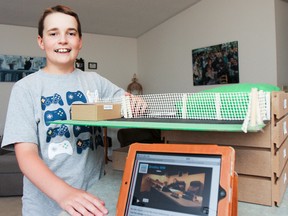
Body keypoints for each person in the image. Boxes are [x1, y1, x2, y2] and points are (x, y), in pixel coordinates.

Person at [1, 5, 130, 216]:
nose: (63, 40)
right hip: (45, 208)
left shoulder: (95, 82)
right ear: (41, 42)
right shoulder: (26, 88)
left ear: (80, 41)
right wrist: (64, 194)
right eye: (54, 33)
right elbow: (26, 155)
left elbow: (126, 101)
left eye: (71, 33)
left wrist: (134, 103)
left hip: (94, 199)